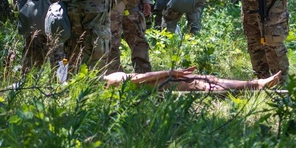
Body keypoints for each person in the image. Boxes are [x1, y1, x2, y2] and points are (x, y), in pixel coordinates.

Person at [103, 66, 281, 92]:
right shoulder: (111, 79)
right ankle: (256, 85)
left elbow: (138, 79)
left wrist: (171, 73)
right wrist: (170, 72)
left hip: (166, 82)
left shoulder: (108, 79)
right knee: (208, 85)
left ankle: (257, 83)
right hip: (166, 85)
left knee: (208, 79)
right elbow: (136, 80)